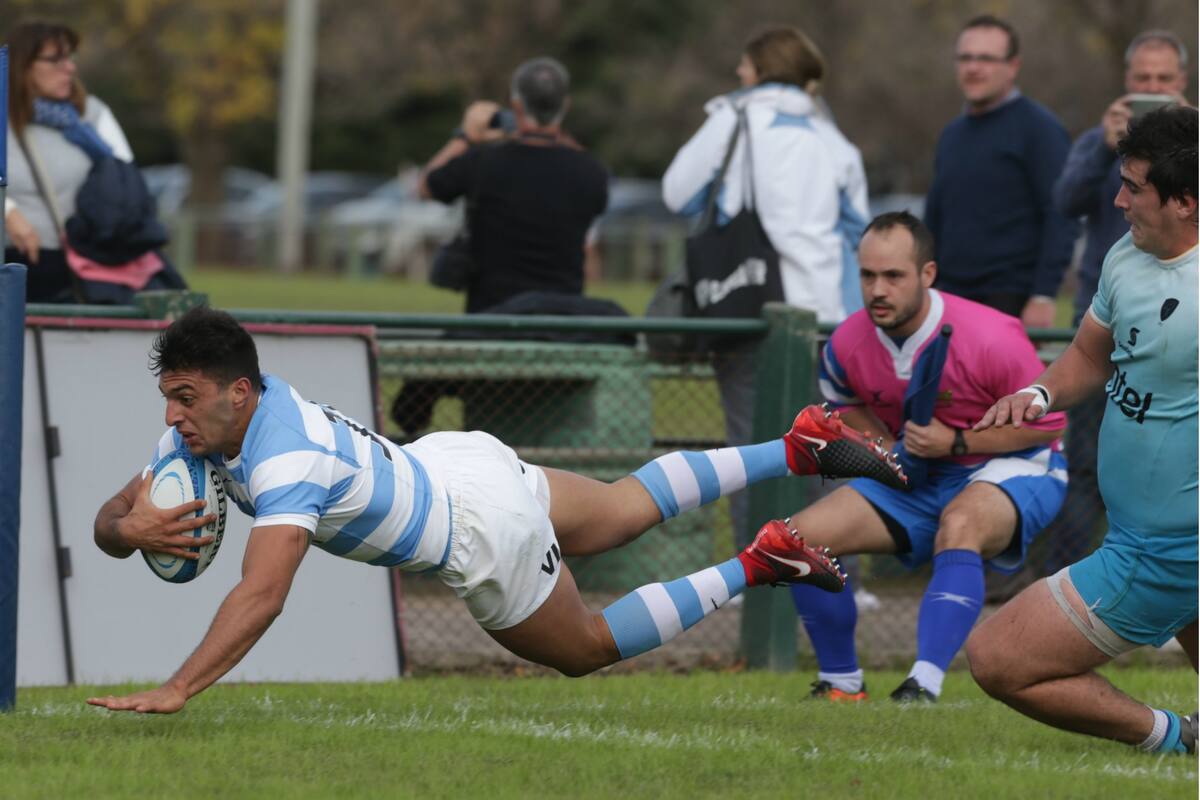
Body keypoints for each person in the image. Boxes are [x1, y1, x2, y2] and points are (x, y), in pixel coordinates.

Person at [84, 306, 909, 714]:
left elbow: (263, 594)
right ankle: (797, 445)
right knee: (622, 507)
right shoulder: (210, 426)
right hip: (453, 463)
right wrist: (129, 527)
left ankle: (758, 561)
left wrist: (180, 687)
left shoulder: (286, 460)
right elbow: (110, 517)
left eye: (184, 397)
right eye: (168, 398)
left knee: (585, 649)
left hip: (476, 533)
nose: (171, 417)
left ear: (238, 391)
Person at [967, 105, 1198, 755]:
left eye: (1134, 187)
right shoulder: (1127, 254)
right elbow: (1091, 356)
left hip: (1164, 553)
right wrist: (1038, 393)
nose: (1117, 200)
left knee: (996, 658)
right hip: (1139, 534)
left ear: (1185, 201)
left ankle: (1176, 738)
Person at [780, 211, 1068, 703]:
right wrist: (885, 446)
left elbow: (1048, 423)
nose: (878, 290)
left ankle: (923, 685)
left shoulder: (991, 336)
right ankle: (841, 684)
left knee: (960, 524)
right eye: (867, 276)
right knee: (795, 541)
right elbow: (843, 399)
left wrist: (955, 442)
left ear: (927, 274)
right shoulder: (846, 341)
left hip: (1014, 467)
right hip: (920, 473)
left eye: (893, 276)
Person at [661, 25, 869, 551]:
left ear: (760, 70)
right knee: (832, 448)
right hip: (829, 319)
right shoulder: (832, 136)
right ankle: (836, 575)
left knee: (752, 453)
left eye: (745, 65)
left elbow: (677, 193)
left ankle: (759, 574)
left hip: (751, 312)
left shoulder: (733, 116)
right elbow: (859, 230)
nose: (738, 73)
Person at [1044, 30, 1190, 573]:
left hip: (1182, 322)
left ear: (1183, 82)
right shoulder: (1103, 141)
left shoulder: (1195, 148)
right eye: (1142, 78)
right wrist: (1106, 148)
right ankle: (1073, 577)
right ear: (1127, 81)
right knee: (1087, 463)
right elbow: (1066, 201)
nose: (1153, 87)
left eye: (1163, 78)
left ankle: (1158, 578)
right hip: (1105, 315)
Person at [3, 21, 180, 304]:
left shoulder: (91, 115)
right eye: (55, 59)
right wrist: (8, 211)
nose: (69, 68)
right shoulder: (5, 119)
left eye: (70, 57)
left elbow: (128, 184)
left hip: (88, 266)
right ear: (22, 65)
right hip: (16, 266)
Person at [417, 56, 608, 314]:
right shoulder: (591, 172)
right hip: (559, 320)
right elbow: (570, 158)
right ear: (565, 105)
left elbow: (426, 186)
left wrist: (465, 136)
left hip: (491, 318)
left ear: (516, 105)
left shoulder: (483, 162)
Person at [924, 14, 1077, 327]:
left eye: (986, 59)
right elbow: (935, 218)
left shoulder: (1040, 129)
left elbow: (1060, 214)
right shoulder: (951, 135)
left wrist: (1043, 295)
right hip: (948, 297)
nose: (973, 68)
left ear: (1013, 66)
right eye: (965, 58)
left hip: (1009, 300)